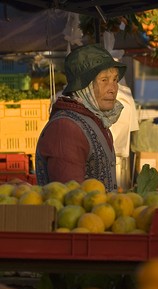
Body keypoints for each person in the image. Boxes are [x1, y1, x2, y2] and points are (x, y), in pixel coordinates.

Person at [35, 44, 127, 192]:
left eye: (115, 80)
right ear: (84, 87)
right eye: (104, 80)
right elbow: (70, 195)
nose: (113, 88)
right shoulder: (65, 128)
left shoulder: (96, 120)